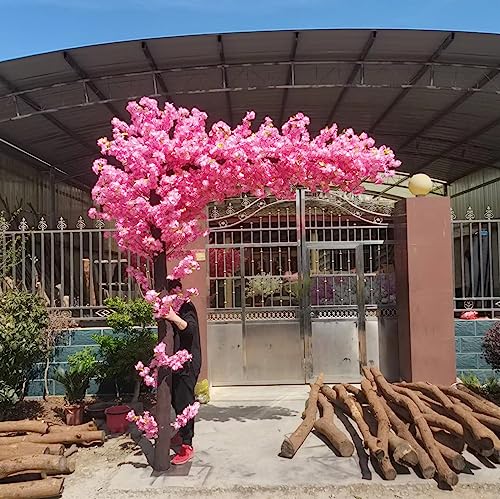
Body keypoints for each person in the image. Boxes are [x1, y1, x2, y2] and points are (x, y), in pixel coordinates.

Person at [164, 278, 201, 465]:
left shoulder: (185, 306)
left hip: (187, 363)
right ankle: (180, 434)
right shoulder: (169, 306)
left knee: (185, 402)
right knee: (175, 400)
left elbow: (190, 330)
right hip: (174, 363)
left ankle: (187, 444)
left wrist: (174, 317)